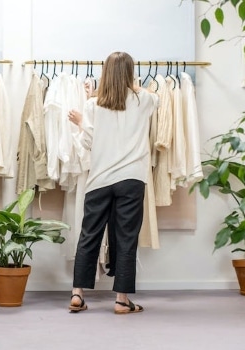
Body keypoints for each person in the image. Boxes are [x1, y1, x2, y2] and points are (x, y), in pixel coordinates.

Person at [67, 51, 158, 314]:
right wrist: (131, 84)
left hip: (100, 179)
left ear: (104, 73)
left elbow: (88, 143)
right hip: (132, 178)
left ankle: (77, 295)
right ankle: (121, 300)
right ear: (131, 73)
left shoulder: (92, 105)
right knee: (126, 238)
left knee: (89, 236)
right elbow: (156, 99)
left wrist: (83, 123)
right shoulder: (145, 100)